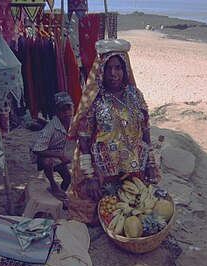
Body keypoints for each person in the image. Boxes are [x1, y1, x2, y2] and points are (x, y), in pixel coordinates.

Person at [67, 39, 160, 224]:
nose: (113, 74)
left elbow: (145, 131)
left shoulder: (136, 95)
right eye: (108, 68)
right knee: (106, 213)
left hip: (134, 169)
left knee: (134, 210)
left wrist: (150, 163)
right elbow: (84, 140)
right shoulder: (95, 101)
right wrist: (90, 177)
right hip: (104, 173)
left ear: (125, 70)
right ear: (101, 71)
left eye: (118, 68)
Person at [31, 92, 74, 204]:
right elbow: (37, 149)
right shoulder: (51, 128)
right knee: (47, 161)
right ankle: (53, 184)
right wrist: (60, 155)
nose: (67, 113)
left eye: (69, 108)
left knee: (68, 178)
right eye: (62, 110)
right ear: (57, 112)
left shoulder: (72, 121)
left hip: (57, 156)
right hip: (43, 155)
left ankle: (59, 196)